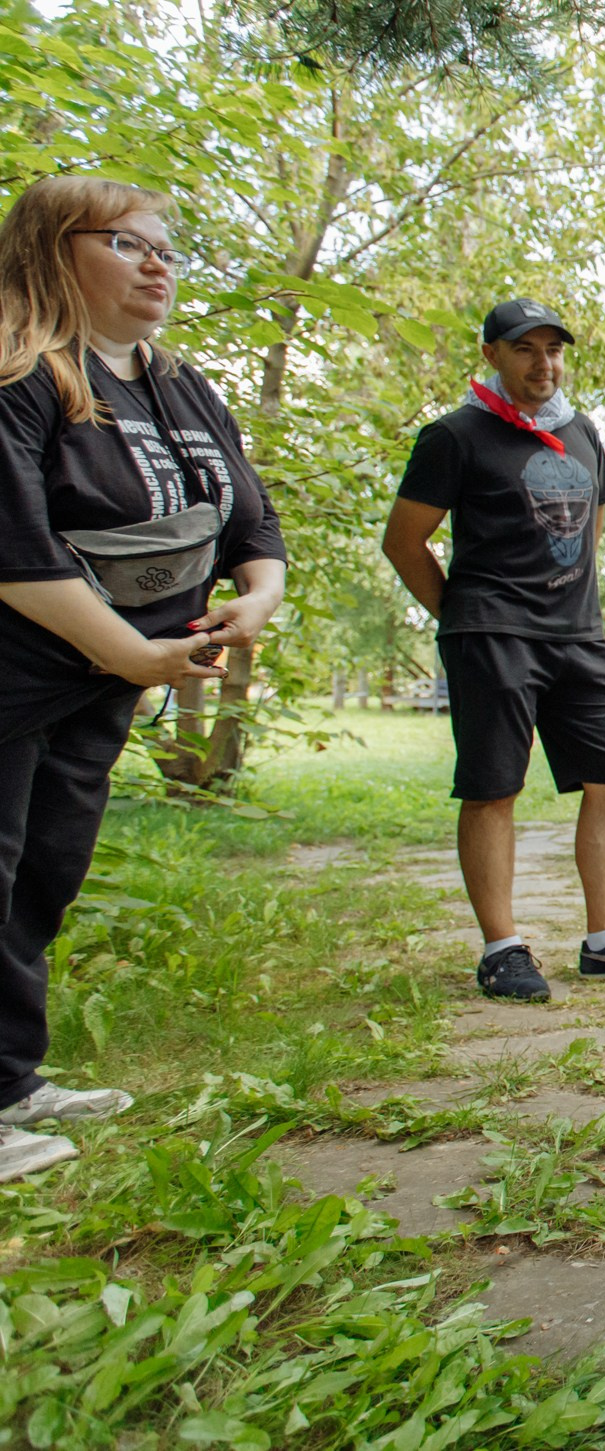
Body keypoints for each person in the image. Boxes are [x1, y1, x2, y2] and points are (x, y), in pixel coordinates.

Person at [0, 176, 288, 1181]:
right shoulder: (21, 373)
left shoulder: (179, 382)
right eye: (129, 244)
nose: (159, 264)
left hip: (104, 679)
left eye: (167, 248)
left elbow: (249, 519)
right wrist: (130, 651)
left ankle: (10, 1083)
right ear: (51, 246)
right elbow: (16, 550)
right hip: (23, 668)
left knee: (44, 872)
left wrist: (258, 595)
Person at [382, 299, 605, 1003]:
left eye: (554, 349)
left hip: (578, 634)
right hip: (493, 633)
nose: (543, 363)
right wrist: (464, 616)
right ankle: (502, 949)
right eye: (526, 348)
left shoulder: (581, 431)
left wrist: (574, 606)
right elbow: (404, 541)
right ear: (491, 353)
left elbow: (591, 530)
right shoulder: (455, 435)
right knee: (494, 784)